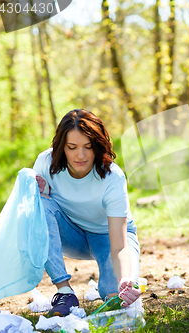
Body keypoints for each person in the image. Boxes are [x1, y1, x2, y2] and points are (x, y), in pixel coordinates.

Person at [33, 109, 141, 316]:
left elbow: (119, 246)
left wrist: (126, 278)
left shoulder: (113, 177)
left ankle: (119, 286)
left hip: (109, 239)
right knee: (40, 205)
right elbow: (31, 217)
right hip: (71, 234)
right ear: (61, 146)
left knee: (117, 298)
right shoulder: (46, 163)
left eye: (88, 147)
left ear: (98, 146)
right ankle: (64, 292)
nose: (80, 155)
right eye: (72, 147)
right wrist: (38, 194)